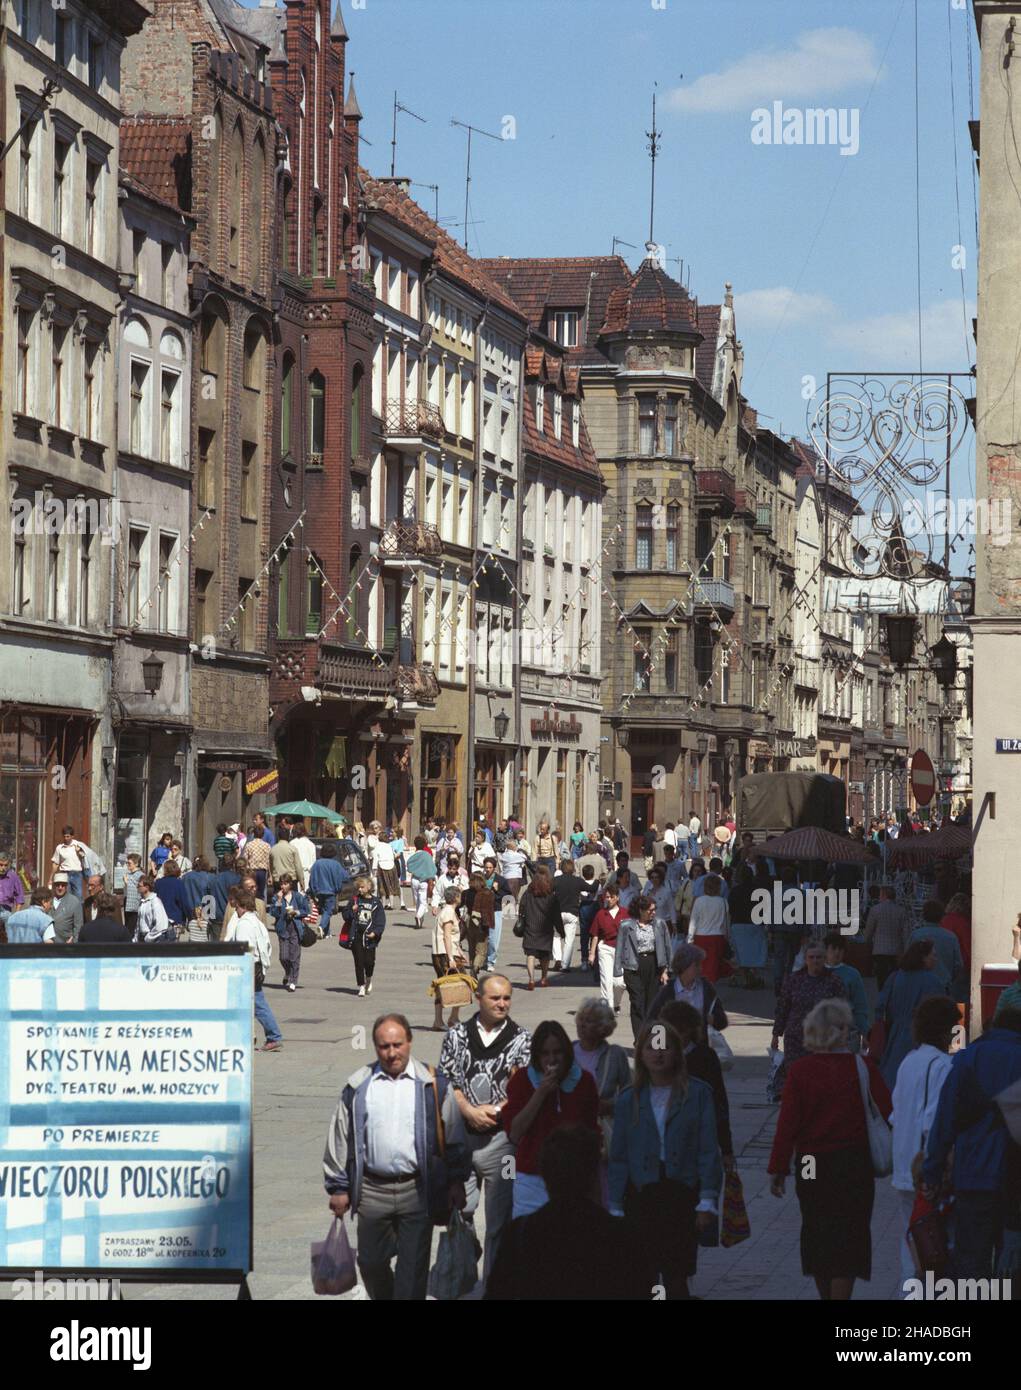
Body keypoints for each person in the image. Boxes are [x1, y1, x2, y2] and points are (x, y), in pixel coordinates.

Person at [323, 1013, 469, 1301]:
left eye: (397, 1045)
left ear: (410, 1042)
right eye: (384, 1046)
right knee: (370, 1262)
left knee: (412, 1270)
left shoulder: (432, 1083)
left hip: (417, 1190)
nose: (392, 1053)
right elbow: (341, 1136)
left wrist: (456, 1181)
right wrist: (338, 1187)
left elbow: (453, 1134)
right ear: (376, 1047)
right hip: (372, 1191)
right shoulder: (359, 1085)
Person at [768, 998, 892, 1301]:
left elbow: (787, 1125)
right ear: (842, 1031)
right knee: (850, 1234)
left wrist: (778, 1169)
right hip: (853, 1160)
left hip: (810, 1161)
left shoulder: (800, 1071)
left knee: (817, 1228)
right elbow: (888, 1111)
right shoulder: (862, 1067)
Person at [609, 1019, 722, 1300]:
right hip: (641, 1194)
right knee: (640, 1277)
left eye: (665, 1046)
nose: (658, 1053)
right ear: (641, 1053)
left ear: (677, 1051)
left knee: (676, 1276)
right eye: (651, 1047)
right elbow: (619, 1156)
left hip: (680, 1194)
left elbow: (708, 1150)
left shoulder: (698, 1094)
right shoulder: (628, 1100)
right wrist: (614, 1205)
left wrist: (707, 1199)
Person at [439, 974, 532, 1282]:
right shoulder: (456, 1036)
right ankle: (466, 1267)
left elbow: (522, 1088)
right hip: (463, 1139)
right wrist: (466, 1109)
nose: (502, 1003)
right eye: (495, 998)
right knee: (462, 1213)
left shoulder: (522, 1038)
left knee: (499, 1221)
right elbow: (447, 1081)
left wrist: (493, 1111)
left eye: (507, 997)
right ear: (478, 998)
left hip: (502, 1143)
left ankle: (494, 1285)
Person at [484, 1125, 645, 1301]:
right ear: (594, 1176)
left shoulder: (520, 1234)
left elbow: (496, 1293)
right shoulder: (621, 1236)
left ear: (545, 1177)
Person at [922, 1006, 1021, 1280]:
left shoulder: (968, 1059)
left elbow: (945, 1119)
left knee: (971, 1264)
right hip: (1015, 1183)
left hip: (973, 1176)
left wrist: (932, 1171)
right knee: (1012, 1266)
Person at [889, 995, 958, 1294]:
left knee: (912, 1241)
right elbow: (934, 1120)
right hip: (924, 1170)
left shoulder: (908, 1061)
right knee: (933, 1245)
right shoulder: (942, 1065)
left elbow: (896, 1112)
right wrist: (935, 1171)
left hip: (904, 1164)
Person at [502, 1020, 600, 1217]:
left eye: (558, 1052)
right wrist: (540, 1093)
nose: (552, 1059)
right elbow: (514, 1133)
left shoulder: (584, 1081)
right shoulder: (521, 1080)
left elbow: (591, 1133)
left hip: (574, 1179)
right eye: (545, 1054)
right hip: (531, 1179)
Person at [659, 1000, 735, 1173]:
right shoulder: (659, 1057)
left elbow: (719, 1101)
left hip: (697, 1140)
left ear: (687, 1030)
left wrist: (726, 1148)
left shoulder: (705, 1057)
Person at [573, 996, 632, 1200]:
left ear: (602, 1027)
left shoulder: (615, 1055)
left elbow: (630, 1095)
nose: (581, 1024)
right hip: (573, 1134)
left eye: (588, 1020)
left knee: (603, 1191)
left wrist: (610, 1105)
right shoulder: (568, 1051)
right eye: (581, 1019)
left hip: (603, 1137)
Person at [874, 940, 950, 1089]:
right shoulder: (933, 981)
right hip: (921, 1037)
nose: (936, 959)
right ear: (923, 958)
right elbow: (941, 1012)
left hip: (894, 1036)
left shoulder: (895, 977)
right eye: (932, 955)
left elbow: (880, 1007)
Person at [772, 943, 847, 1076]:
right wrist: (776, 1034)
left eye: (819, 957)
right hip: (795, 1039)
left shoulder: (834, 981)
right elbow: (783, 1007)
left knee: (819, 1077)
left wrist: (842, 1035)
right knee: (795, 1076)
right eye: (811, 957)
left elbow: (841, 1011)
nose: (815, 961)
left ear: (825, 959)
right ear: (806, 959)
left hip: (823, 1041)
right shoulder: (793, 980)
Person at [224, 888, 282, 1051]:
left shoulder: (244, 924)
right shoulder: (255, 921)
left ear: (242, 906)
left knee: (257, 1004)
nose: (235, 910)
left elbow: (245, 949)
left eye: (237, 907)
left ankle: (274, 1036)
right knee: (251, 1003)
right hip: (256, 966)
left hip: (249, 967)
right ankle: (251, 1036)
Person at [614, 895, 671, 1042]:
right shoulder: (626, 925)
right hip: (633, 967)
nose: (653, 913)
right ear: (641, 910)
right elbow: (619, 949)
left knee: (653, 1005)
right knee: (638, 1003)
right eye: (650, 910)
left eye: (654, 909)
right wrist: (617, 972)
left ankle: (656, 1041)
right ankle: (640, 1040)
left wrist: (666, 970)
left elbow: (667, 947)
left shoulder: (660, 924)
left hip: (654, 965)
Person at [648, 942, 729, 1037]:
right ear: (684, 966)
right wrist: (659, 1048)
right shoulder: (668, 991)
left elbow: (722, 1021)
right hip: (676, 1047)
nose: (700, 969)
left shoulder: (706, 988)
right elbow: (653, 1021)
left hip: (700, 1047)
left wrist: (711, 1019)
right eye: (696, 965)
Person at [517, 867, 564, 991]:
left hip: (530, 926)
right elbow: (556, 915)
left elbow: (521, 907)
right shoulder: (550, 895)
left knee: (530, 954)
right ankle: (543, 978)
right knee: (545, 956)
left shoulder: (528, 893)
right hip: (545, 929)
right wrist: (561, 930)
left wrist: (522, 919)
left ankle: (531, 979)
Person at [340, 875, 386, 998]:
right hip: (356, 936)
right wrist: (352, 911)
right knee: (359, 962)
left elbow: (380, 921)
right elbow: (345, 916)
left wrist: (375, 932)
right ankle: (361, 985)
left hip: (370, 937)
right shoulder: (354, 900)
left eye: (362, 887)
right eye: (358, 887)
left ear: (369, 887)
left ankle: (369, 978)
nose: (360, 889)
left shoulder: (376, 902)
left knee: (369, 962)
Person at [823, 931, 871, 1051]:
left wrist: (865, 1032)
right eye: (833, 949)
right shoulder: (816, 972)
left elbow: (860, 1006)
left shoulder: (852, 974)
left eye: (840, 949)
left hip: (847, 1034)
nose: (837, 952)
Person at [907, 900, 965, 996]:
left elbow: (908, 960)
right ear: (942, 916)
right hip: (944, 985)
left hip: (919, 986)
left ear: (924, 915)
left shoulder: (916, 935)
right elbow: (958, 965)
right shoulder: (951, 937)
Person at [863, 885, 914, 988]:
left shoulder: (875, 910)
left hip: (880, 950)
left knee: (881, 979)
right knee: (895, 979)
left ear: (883, 895)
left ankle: (883, 999)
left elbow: (869, 931)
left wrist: (867, 942)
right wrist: (906, 949)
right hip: (897, 950)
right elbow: (906, 933)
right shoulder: (901, 911)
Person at [589, 883, 627, 1013]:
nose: (608, 899)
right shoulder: (601, 914)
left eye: (610, 897)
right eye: (606, 897)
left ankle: (616, 1003)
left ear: (617, 897)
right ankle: (608, 1009)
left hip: (621, 950)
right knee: (606, 980)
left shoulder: (625, 913)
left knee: (620, 983)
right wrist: (592, 953)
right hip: (605, 948)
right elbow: (595, 935)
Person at [270, 874, 312, 991]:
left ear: (290, 884)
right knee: (283, 957)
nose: (283, 886)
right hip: (283, 929)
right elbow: (273, 913)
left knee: (294, 956)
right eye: (282, 884)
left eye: (286, 883)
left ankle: (293, 980)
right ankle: (288, 971)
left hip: (295, 928)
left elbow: (306, 910)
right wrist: (278, 901)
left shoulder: (297, 896)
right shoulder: (276, 898)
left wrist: (296, 912)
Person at [687, 871, 731, 983]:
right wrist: (728, 937)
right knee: (713, 965)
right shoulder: (723, 902)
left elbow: (693, 921)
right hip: (717, 936)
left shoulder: (699, 901)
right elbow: (726, 922)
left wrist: (690, 938)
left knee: (701, 965)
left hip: (700, 936)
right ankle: (711, 987)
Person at [432, 886, 465, 1031]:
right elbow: (446, 935)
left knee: (450, 985)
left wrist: (460, 951)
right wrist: (451, 957)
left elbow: (452, 937)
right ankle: (447, 1018)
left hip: (447, 951)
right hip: (444, 954)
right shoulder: (448, 912)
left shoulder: (449, 911)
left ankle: (449, 1018)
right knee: (458, 984)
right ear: (456, 897)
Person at [307, 839, 350, 934]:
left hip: (318, 891)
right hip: (331, 891)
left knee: (324, 910)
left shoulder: (317, 864)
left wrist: (312, 890)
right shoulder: (336, 864)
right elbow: (346, 877)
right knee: (328, 911)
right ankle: (322, 926)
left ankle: (327, 932)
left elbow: (312, 878)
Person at [551, 858, 583, 972]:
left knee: (556, 936)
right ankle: (565, 965)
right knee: (569, 940)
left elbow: (548, 890)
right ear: (572, 869)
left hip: (558, 912)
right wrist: (597, 882)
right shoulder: (577, 881)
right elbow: (591, 888)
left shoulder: (555, 880)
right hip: (572, 913)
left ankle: (558, 959)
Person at [481, 857, 512, 970]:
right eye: (486, 867)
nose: (488, 870)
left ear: (494, 868)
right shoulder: (481, 879)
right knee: (483, 938)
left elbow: (508, 896)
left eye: (490, 868)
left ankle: (491, 961)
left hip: (495, 911)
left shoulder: (501, 880)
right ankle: (483, 959)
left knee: (493, 939)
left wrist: (497, 890)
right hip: (482, 911)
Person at [461, 872, 494, 976]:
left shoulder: (465, 893)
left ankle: (472, 965)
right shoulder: (488, 893)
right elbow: (490, 908)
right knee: (481, 949)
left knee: (471, 945)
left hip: (469, 920)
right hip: (482, 922)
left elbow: (459, 906)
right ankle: (475, 968)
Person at [405, 834, 437, 929]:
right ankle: (418, 916)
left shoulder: (413, 855)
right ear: (424, 845)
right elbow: (432, 868)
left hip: (414, 879)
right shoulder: (427, 855)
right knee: (423, 902)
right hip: (424, 881)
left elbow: (409, 866)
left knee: (418, 901)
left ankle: (420, 920)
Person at [153, 859, 187, 936]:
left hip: (159, 919)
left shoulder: (158, 883)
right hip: (175, 920)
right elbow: (183, 902)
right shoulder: (179, 883)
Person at [940, 892, 971, 978]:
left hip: (945, 963)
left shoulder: (943, 920)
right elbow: (967, 944)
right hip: (961, 964)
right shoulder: (962, 922)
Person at [51, 826, 88, 899]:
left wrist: (79, 851)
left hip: (76, 874)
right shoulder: (60, 847)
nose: (66, 838)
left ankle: (78, 910)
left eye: (68, 836)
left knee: (78, 896)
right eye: (64, 836)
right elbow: (55, 863)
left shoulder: (77, 844)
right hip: (65, 873)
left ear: (72, 836)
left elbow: (85, 856)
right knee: (66, 896)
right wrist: (51, 877)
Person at [135, 877, 174, 943]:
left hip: (155, 939)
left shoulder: (155, 902)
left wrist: (148, 938)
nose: (137, 887)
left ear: (146, 887)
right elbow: (139, 922)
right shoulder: (142, 902)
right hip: (143, 937)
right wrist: (136, 938)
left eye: (139, 886)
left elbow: (160, 925)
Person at [643, 863, 677, 938]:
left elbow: (672, 909)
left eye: (656, 877)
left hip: (664, 924)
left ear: (661, 878)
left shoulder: (666, 892)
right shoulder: (647, 891)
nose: (654, 879)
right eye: (652, 877)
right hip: (649, 923)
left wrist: (674, 925)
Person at [48, 873, 83, 943]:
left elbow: (78, 926)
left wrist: (73, 940)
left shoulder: (74, 902)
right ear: (54, 885)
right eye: (57, 885)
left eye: (63, 885)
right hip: (48, 944)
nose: (60, 887)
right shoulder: (48, 900)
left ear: (67, 886)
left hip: (66, 944)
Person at [270, 827, 305, 892]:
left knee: (278, 900)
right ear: (288, 836)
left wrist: (271, 877)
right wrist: (301, 881)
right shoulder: (292, 849)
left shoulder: (273, 849)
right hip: (291, 880)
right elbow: (298, 866)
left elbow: (270, 866)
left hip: (277, 880)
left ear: (278, 836)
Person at [371, 830, 399, 909]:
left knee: (382, 885)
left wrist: (374, 869)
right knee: (390, 885)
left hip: (382, 865)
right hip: (391, 865)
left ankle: (383, 904)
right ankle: (391, 903)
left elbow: (375, 858)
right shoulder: (389, 845)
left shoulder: (378, 846)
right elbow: (393, 856)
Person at [244, 826, 272, 901]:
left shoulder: (249, 845)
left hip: (252, 871)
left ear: (254, 834)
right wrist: (270, 875)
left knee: (252, 891)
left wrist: (246, 872)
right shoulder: (267, 845)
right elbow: (269, 861)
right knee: (261, 892)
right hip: (262, 871)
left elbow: (245, 859)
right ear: (263, 834)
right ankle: (261, 908)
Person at [0, 853, 25, 931]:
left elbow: (20, 895)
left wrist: (16, 913)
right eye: (0, 865)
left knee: (9, 934)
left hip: (6, 909)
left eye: (5, 865)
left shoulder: (13, 877)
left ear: (9, 864)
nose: (3, 868)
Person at [121, 853, 143, 936]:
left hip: (135, 904)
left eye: (129, 863)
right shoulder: (128, 874)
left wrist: (127, 882)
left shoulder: (140, 875)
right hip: (128, 902)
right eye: (127, 863)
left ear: (136, 864)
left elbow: (140, 888)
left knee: (132, 927)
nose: (127, 865)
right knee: (127, 926)